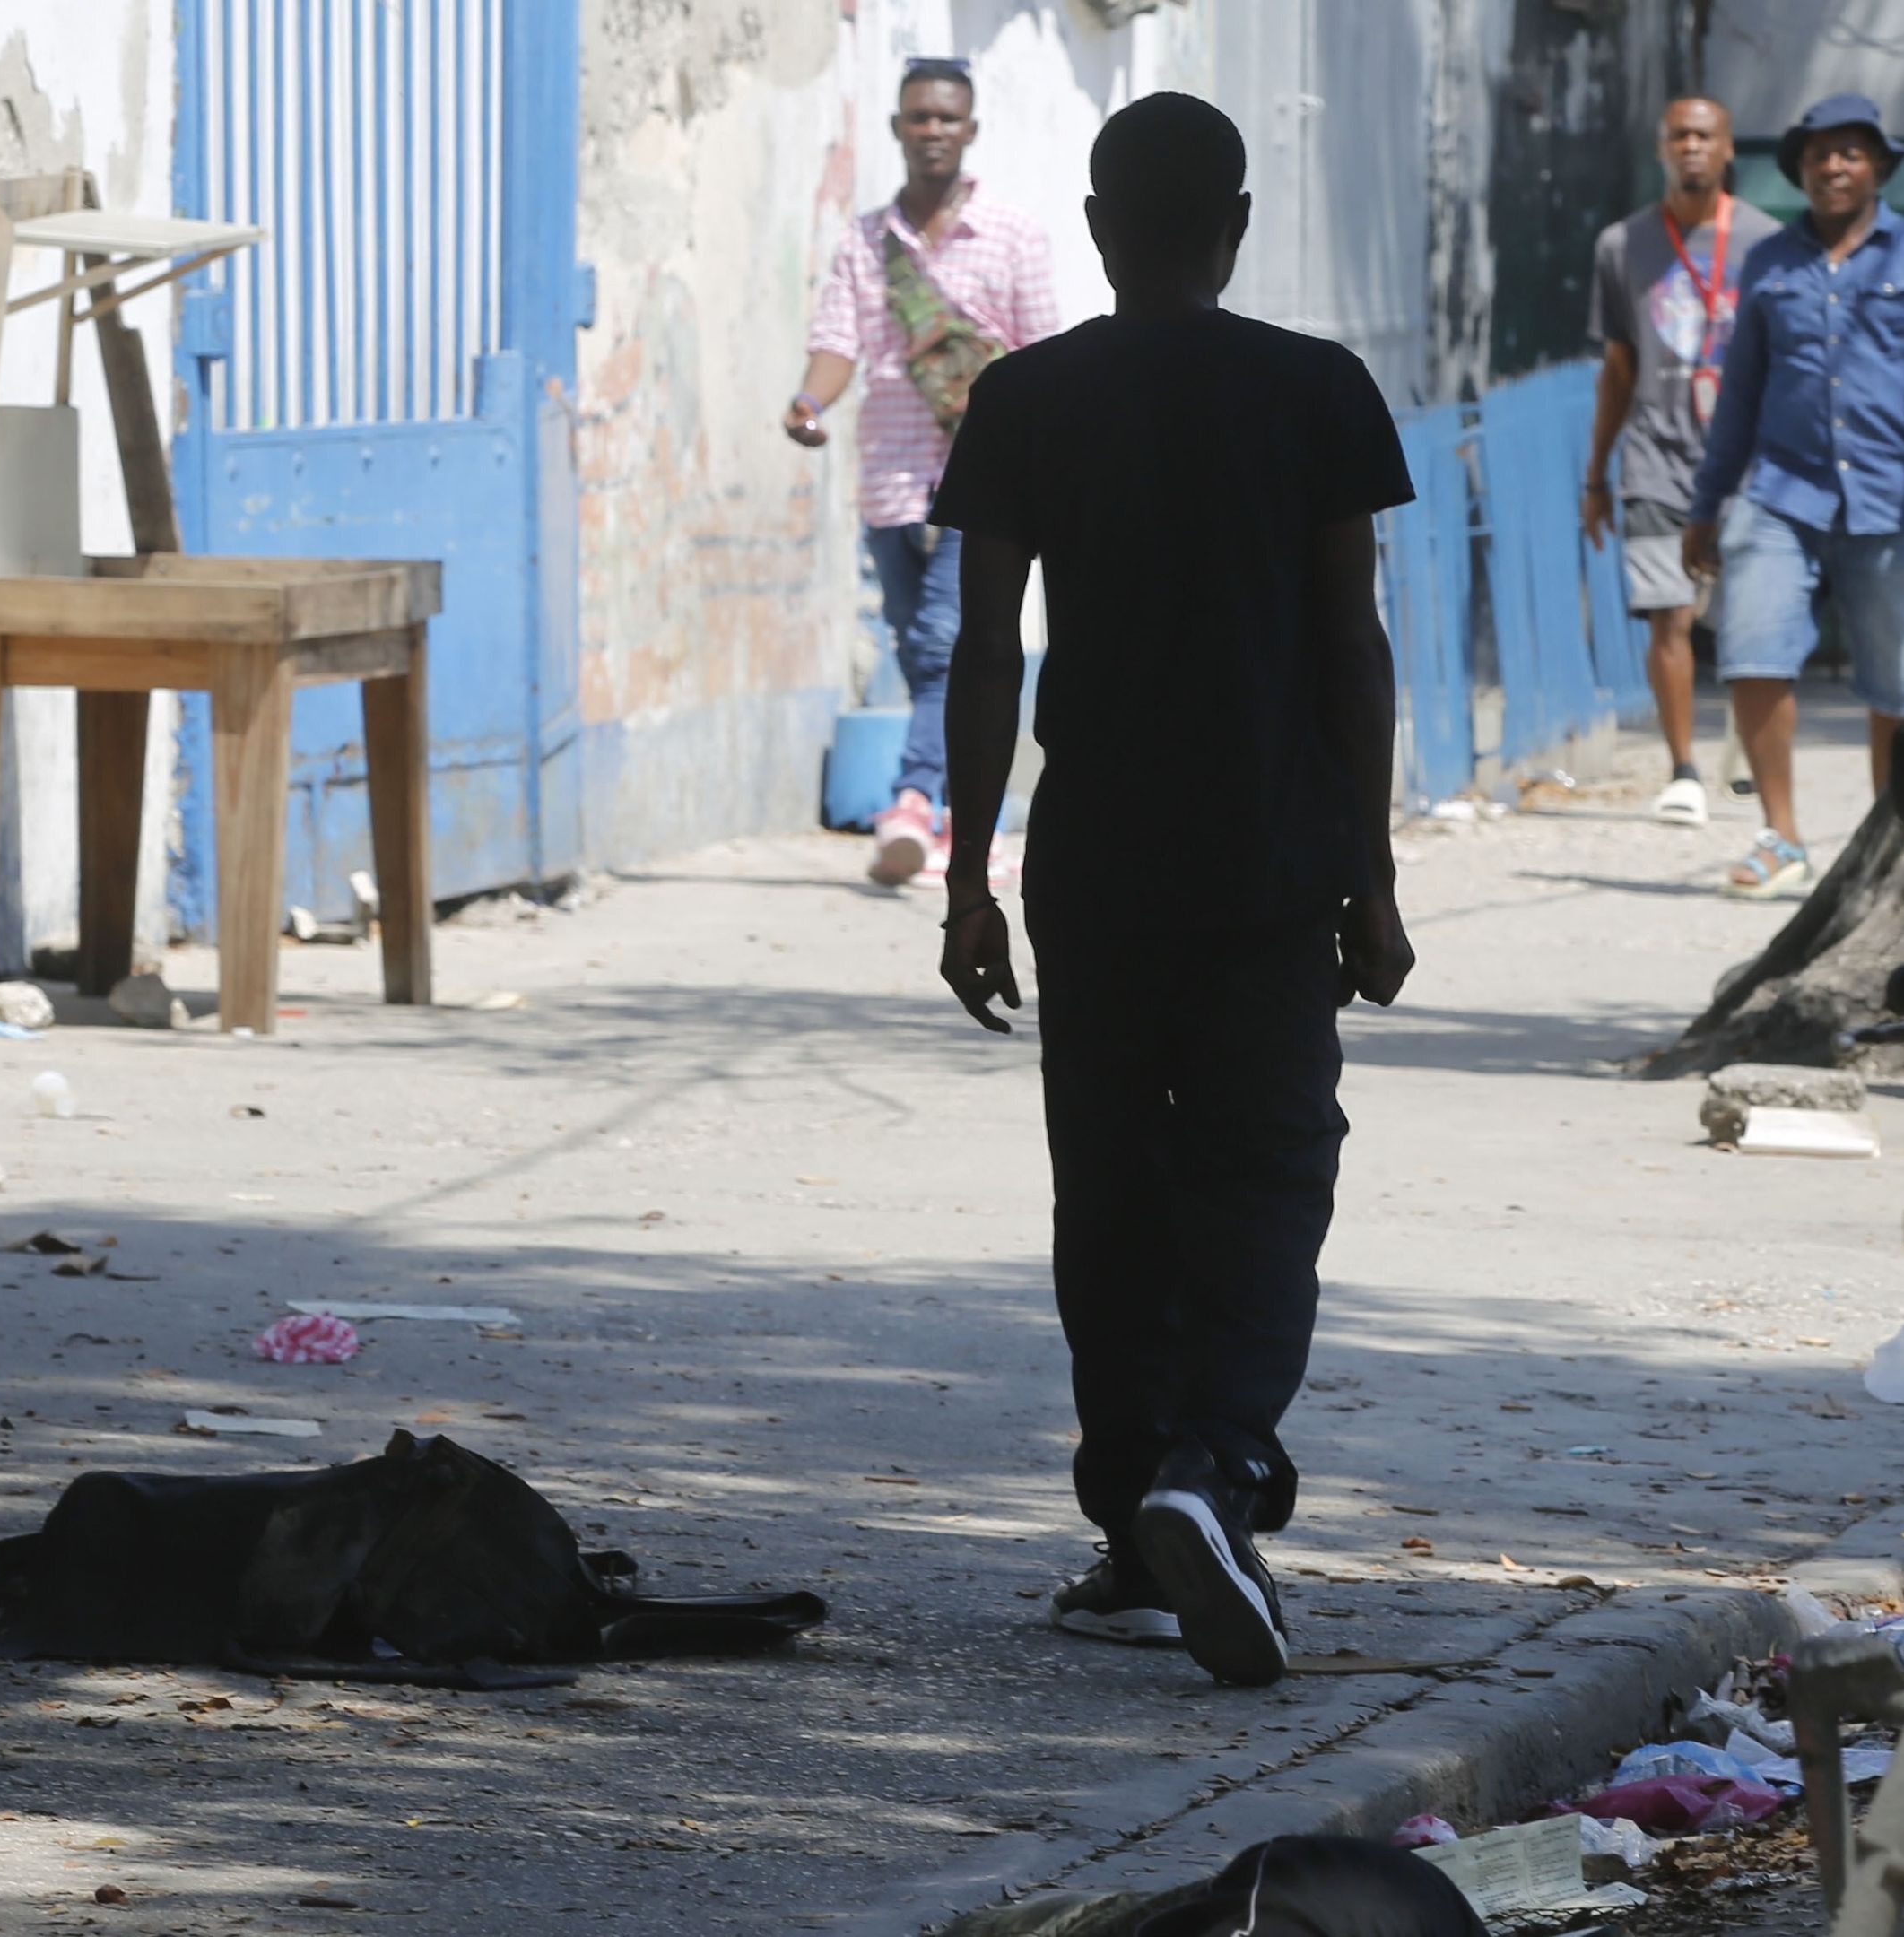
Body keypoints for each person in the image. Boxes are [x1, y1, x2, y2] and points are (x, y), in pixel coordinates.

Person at [926, 92, 1418, 1688]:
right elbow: (1351, 648)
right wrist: (1378, 876)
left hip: (1099, 865)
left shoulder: (1025, 399)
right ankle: (1216, 1474)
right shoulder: (1319, 391)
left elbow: (988, 652)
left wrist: (970, 881)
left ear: (1094, 225)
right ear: (1238, 223)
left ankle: (1133, 1520)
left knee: (1115, 1184)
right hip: (1273, 861)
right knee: (1266, 1175)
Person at [1683, 93, 1904, 899]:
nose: (1834, 166)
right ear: (1801, 169)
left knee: (1897, 680)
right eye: (1819, 154)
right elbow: (1740, 392)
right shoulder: (1771, 265)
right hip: (1779, 494)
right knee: (1753, 653)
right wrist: (1707, 502)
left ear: (1879, 166)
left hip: (1892, 499)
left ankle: (1888, 839)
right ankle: (1781, 835)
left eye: (1851, 152)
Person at [790, 56, 1060, 886]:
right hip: (890, 481)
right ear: (898, 129)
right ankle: (953, 821)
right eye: (919, 117)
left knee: (947, 640)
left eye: (948, 118)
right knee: (921, 650)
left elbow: (1045, 357)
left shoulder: (1014, 236)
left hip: (981, 487)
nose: (933, 131)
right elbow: (840, 340)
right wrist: (808, 403)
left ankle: (910, 802)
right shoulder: (864, 242)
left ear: (970, 130)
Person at [1581, 98, 1781, 829]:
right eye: (1678, 137)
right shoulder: (1621, 246)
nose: (1691, 147)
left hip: (1748, 467)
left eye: (1705, 135)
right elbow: (1618, 369)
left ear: (1728, 148)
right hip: (1655, 461)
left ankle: (1745, 756)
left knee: (1749, 622)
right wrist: (1596, 475)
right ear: (1661, 149)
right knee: (1666, 617)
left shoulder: (1767, 242)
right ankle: (1683, 769)